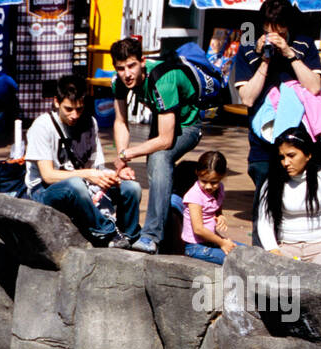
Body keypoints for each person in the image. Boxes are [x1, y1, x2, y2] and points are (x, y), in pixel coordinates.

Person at [233, 0, 321, 247]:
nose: (274, 34)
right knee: (264, 207)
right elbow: (248, 97)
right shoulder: (249, 47)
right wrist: (264, 60)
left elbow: (315, 87)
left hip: (297, 143)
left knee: (297, 203)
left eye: (280, 29)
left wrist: (290, 55)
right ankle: (259, 258)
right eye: (268, 28)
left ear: (288, 26)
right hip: (263, 144)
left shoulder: (304, 44)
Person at [110, 37, 203, 254]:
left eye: (132, 66)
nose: (127, 74)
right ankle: (140, 228)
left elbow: (165, 140)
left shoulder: (163, 79)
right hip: (163, 119)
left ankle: (151, 236)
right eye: (121, 68)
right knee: (154, 166)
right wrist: (122, 161)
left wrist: (127, 153)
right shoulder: (119, 82)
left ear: (142, 61)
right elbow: (120, 122)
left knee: (160, 157)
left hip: (188, 125)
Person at [27, 74, 140, 249]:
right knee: (75, 185)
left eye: (79, 109)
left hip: (84, 185)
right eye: (68, 109)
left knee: (131, 188)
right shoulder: (42, 126)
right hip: (46, 191)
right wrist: (87, 175)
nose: (74, 115)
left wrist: (114, 175)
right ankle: (105, 233)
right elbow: (48, 176)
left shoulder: (89, 122)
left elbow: (96, 168)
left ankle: (128, 236)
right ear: (56, 102)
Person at [257, 126, 321, 269]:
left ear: (308, 154)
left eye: (291, 155)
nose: (286, 162)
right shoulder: (273, 182)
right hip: (287, 247)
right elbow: (264, 221)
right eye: (282, 157)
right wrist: (273, 249)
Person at [181, 151, 237, 265]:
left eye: (213, 182)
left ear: (222, 176)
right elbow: (198, 229)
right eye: (204, 181)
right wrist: (222, 243)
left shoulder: (219, 188)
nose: (208, 186)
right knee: (237, 260)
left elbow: (217, 210)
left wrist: (220, 216)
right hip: (195, 247)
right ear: (197, 173)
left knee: (246, 251)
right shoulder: (194, 196)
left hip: (211, 241)